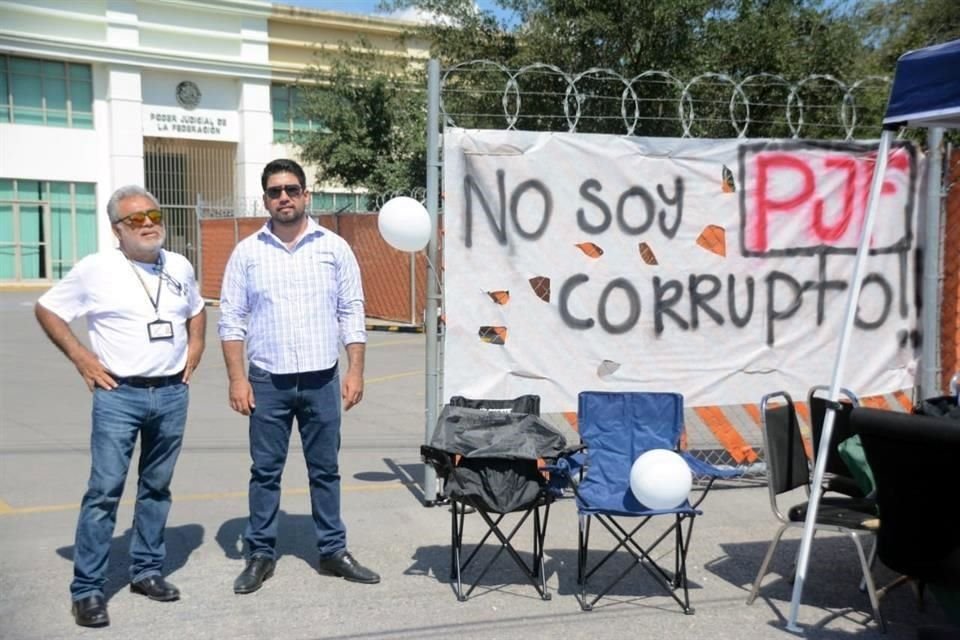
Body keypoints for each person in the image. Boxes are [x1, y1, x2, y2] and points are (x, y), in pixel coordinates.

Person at [35, 185, 206, 628]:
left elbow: (197, 308)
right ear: (117, 230)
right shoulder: (96, 269)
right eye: (135, 219)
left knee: (157, 487)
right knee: (104, 491)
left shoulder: (180, 265)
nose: (148, 223)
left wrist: (198, 345)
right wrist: (82, 358)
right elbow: (49, 309)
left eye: (153, 214)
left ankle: (146, 571)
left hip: (171, 393)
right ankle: (87, 590)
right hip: (119, 395)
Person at [219, 158, 378, 594]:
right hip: (268, 381)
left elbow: (352, 311)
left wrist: (355, 371)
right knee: (265, 472)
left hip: (321, 379)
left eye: (291, 189)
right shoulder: (247, 253)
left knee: (325, 470)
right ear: (266, 199)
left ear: (306, 195)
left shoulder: (334, 248)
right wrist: (237, 379)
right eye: (274, 191)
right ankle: (260, 554)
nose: (283, 197)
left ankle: (332, 551)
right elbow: (231, 320)